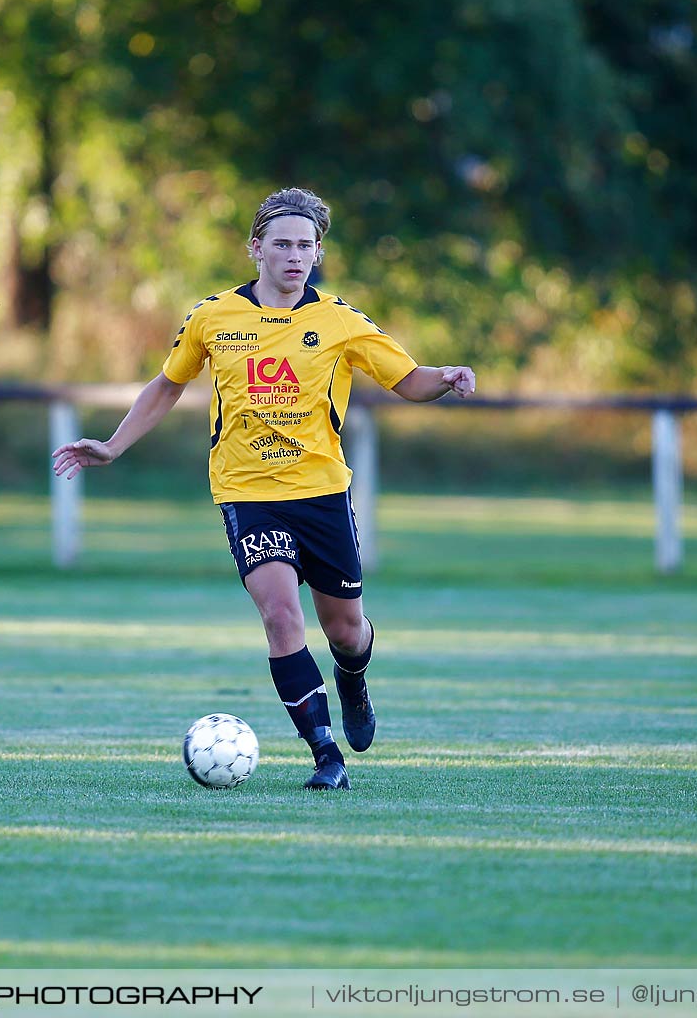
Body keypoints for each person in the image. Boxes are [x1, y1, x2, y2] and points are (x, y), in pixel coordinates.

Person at [51, 187, 476, 790]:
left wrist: (446, 377)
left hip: (323, 493)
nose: (295, 255)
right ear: (256, 249)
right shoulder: (213, 316)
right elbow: (166, 386)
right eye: (282, 244)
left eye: (306, 245)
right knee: (281, 618)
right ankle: (326, 756)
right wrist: (114, 445)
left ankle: (353, 680)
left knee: (345, 631)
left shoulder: (340, 321)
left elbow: (407, 379)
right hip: (247, 493)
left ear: (318, 252)